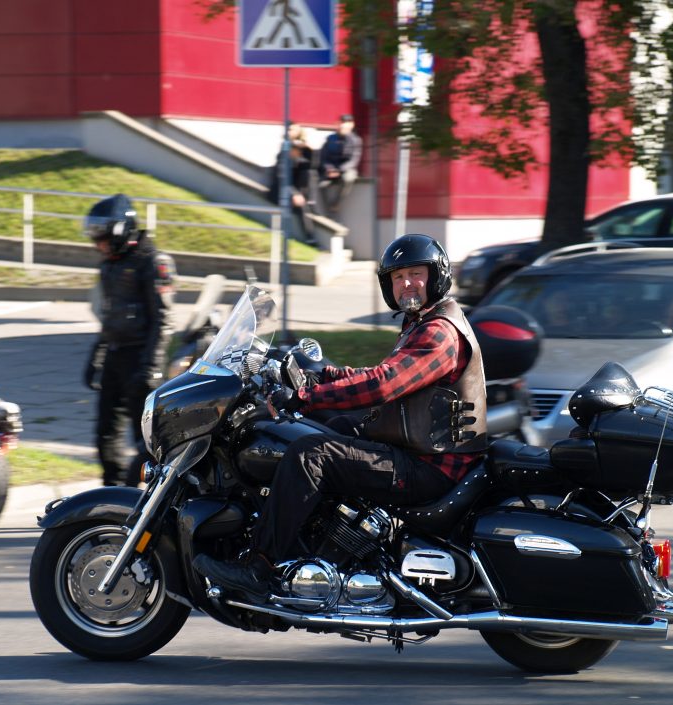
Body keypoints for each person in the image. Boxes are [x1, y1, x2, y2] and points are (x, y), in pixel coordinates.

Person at [193, 233, 488, 601]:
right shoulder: (422, 324)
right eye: (398, 277)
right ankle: (328, 545)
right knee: (333, 426)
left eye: (415, 274)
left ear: (436, 276)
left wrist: (305, 396)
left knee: (308, 454)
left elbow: (384, 385)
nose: (406, 283)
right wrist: (323, 374)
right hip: (420, 453)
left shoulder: (440, 333)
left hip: (430, 468)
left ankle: (260, 567)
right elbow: (383, 373)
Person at [83, 194, 177, 487]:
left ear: (121, 231)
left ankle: (154, 495)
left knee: (145, 438)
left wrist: (149, 367)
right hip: (115, 354)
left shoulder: (152, 262)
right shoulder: (109, 264)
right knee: (105, 433)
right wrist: (95, 355)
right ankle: (111, 494)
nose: (98, 245)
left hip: (141, 357)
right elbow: (109, 314)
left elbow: (163, 319)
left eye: (103, 238)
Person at [267, 122, 317, 245]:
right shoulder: (284, 149)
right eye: (289, 129)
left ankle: (309, 200)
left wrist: (304, 149)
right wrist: (294, 193)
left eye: (293, 130)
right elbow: (281, 175)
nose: (290, 132)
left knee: (309, 172)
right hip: (282, 190)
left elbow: (312, 165)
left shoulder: (304, 149)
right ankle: (309, 237)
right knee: (300, 208)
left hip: (297, 188)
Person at [317, 113, 363, 215]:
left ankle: (336, 203)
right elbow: (324, 157)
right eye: (342, 123)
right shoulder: (330, 139)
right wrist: (329, 169)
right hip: (331, 170)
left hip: (345, 169)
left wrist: (340, 170)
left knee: (348, 178)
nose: (343, 125)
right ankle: (327, 210)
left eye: (347, 123)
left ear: (352, 125)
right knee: (322, 185)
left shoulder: (355, 140)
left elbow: (354, 160)